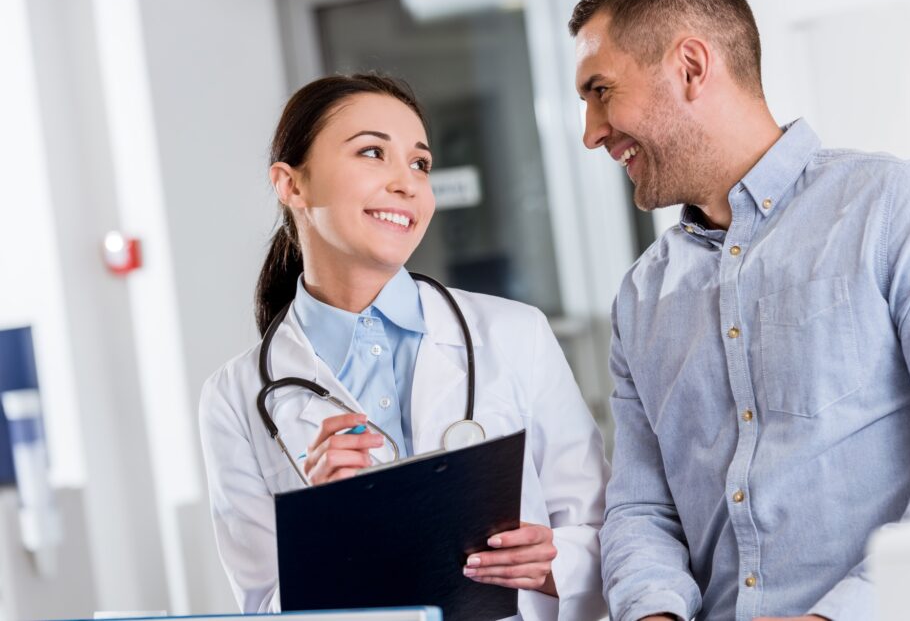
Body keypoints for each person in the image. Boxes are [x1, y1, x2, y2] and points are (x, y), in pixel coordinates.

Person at [569, 0, 910, 621]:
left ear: (691, 67)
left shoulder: (898, 208)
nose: (591, 133)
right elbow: (642, 506)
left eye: (600, 91)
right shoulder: (643, 295)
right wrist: (653, 611)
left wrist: (840, 614)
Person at [198, 73, 608, 620]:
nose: (408, 183)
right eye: (373, 153)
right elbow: (263, 609)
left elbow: (604, 531)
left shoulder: (515, 334)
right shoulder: (234, 398)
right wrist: (325, 527)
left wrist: (555, 562)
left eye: (420, 164)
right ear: (292, 185)